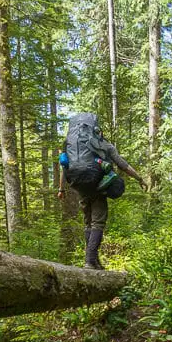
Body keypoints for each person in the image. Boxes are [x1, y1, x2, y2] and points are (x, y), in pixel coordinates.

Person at [57, 113, 147, 269]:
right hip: (97, 186)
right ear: (98, 130)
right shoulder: (104, 145)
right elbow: (123, 165)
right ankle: (89, 260)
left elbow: (64, 168)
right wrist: (139, 178)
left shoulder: (72, 146)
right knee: (98, 222)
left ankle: (94, 260)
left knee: (88, 222)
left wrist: (61, 189)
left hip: (79, 185)